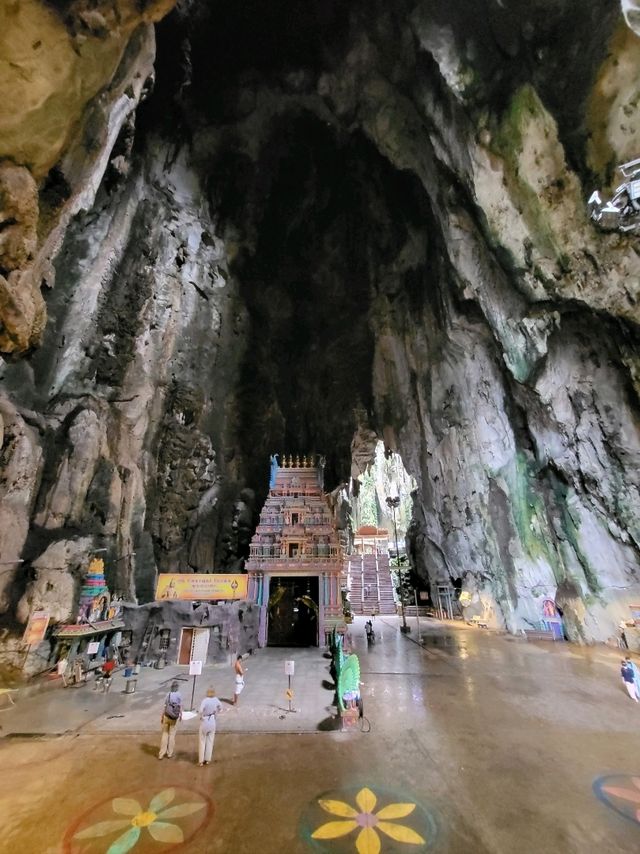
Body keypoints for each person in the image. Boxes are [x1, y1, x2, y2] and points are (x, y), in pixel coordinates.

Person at [198, 686, 222, 766]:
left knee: (202, 741)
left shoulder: (205, 700)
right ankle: (207, 760)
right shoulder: (216, 700)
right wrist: (216, 712)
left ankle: (201, 761)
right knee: (210, 741)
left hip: (205, 721)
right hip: (212, 720)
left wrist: (201, 717)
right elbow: (221, 707)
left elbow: (200, 710)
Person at [159, 681, 183, 759]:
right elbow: (180, 707)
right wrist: (181, 715)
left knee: (164, 734)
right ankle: (169, 753)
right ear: (177, 687)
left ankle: (161, 753)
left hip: (167, 716)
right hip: (173, 718)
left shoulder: (168, 695)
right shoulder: (179, 695)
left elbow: (165, 706)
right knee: (172, 735)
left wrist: (162, 716)